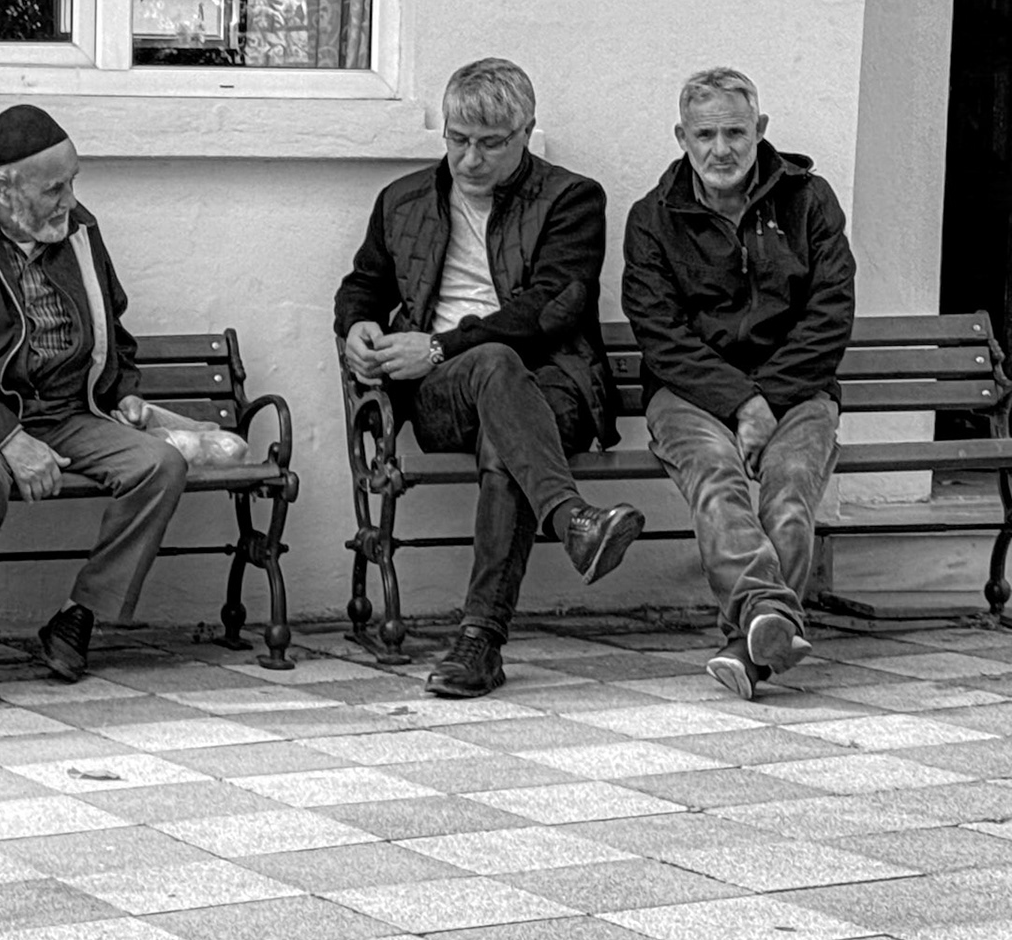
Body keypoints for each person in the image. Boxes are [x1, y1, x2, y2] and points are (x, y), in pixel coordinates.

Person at [334, 57, 644, 698]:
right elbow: (364, 283)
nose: (469, 160)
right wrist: (360, 327)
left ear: (528, 131)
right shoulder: (403, 201)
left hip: (554, 385)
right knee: (495, 373)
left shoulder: (572, 199)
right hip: (442, 396)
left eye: (490, 144)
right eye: (456, 140)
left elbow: (550, 310)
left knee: (504, 403)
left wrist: (442, 346)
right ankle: (573, 521)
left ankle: (479, 644)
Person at [0, 104, 187, 703]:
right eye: (55, 187)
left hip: (67, 410)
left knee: (160, 465)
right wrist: (5, 436)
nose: (69, 200)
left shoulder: (79, 231)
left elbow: (113, 328)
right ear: (1, 186)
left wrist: (123, 391)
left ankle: (80, 614)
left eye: (73, 182)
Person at [623, 67, 855, 699]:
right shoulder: (652, 218)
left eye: (735, 131)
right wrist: (740, 401)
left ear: (761, 131)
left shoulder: (810, 201)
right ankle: (769, 617)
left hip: (799, 389)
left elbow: (830, 316)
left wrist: (770, 399)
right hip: (689, 393)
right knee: (718, 479)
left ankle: (748, 640)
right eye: (705, 134)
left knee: (788, 490)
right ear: (681, 137)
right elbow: (660, 333)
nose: (720, 148)